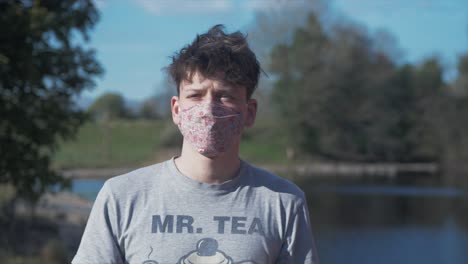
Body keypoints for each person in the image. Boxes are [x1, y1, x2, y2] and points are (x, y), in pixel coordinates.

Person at [72, 25, 319, 264]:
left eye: (225, 96)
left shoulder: (283, 203)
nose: (208, 109)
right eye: (195, 95)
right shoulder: (122, 197)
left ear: (249, 112)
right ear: (176, 110)